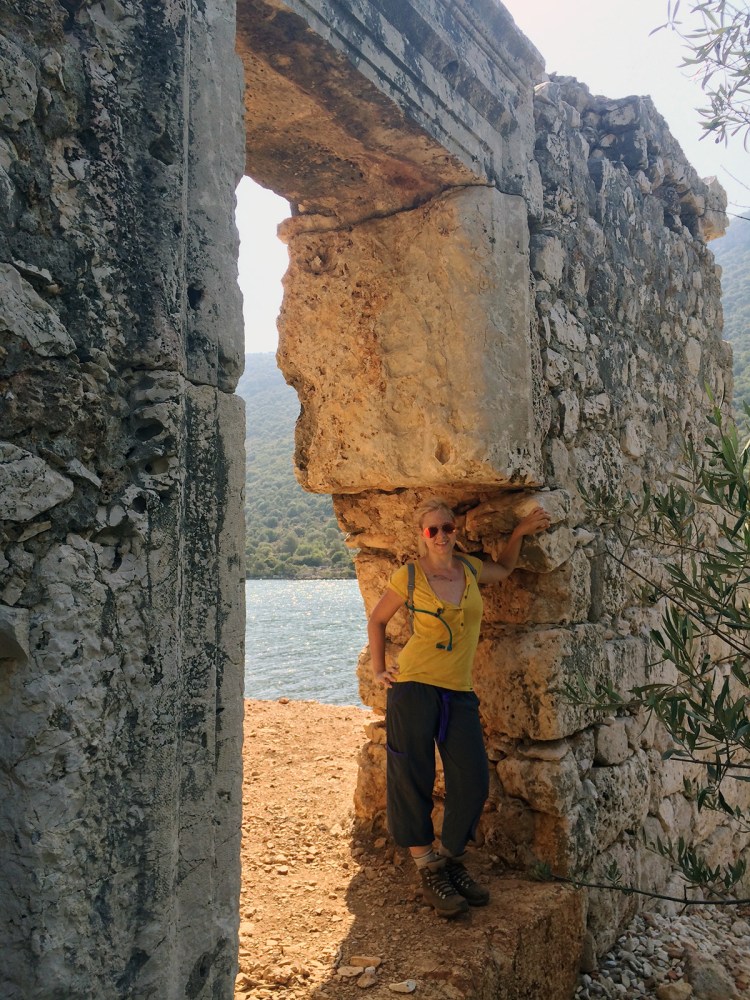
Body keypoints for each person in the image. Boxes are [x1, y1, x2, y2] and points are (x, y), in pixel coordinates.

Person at [367, 496, 550, 917]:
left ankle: (447, 858)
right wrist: (379, 671)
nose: (441, 536)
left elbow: (503, 568)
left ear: (455, 531)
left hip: (459, 691)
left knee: (472, 779)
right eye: (432, 530)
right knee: (412, 774)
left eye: (447, 528)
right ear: (422, 535)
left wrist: (519, 533)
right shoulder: (409, 576)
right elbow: (377, 620)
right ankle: (427, 867)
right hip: (413, 686)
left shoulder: (468, 568)